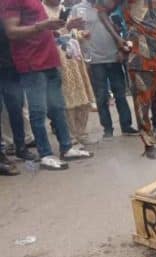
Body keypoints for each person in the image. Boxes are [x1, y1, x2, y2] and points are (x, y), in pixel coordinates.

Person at [2, 0, 93, 170]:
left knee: (58, 107)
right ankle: (45, 154)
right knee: (38, 111)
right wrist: (41, 26)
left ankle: (66, 147)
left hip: (49, 59)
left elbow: (46, 32)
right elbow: (12, 32)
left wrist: (65, 25)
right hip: (31, 63)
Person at [96, 0, 156, 159]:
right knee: (143, 102)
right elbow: (101, 10)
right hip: (141, 52)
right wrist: (118, 39)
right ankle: (149, 144)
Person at [72, 0, 138, 139]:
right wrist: (84, 56)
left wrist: (122, 50)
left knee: (120, 94)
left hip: (114, 57)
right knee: (101, 97)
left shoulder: (108, 5)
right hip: (95, 60)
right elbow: (73, 34)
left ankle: (126, 126)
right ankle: (107, 129)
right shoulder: (77, 10)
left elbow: (122, 27)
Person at [44, 0, 98, 147]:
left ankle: (82, 133)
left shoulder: (63, 9)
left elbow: (70, 34)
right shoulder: (42, 11)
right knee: (66, 99)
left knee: (82, 96)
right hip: (58, 60)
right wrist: (67, 27)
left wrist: (80, 34)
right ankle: (71, 136)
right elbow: (47, 37)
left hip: (74, 60)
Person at [0, 21, 37, 169]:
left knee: (16, 109)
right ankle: (3, 153)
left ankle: (21, 147)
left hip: (10, 69)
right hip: (9, 68)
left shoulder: (7, 15)